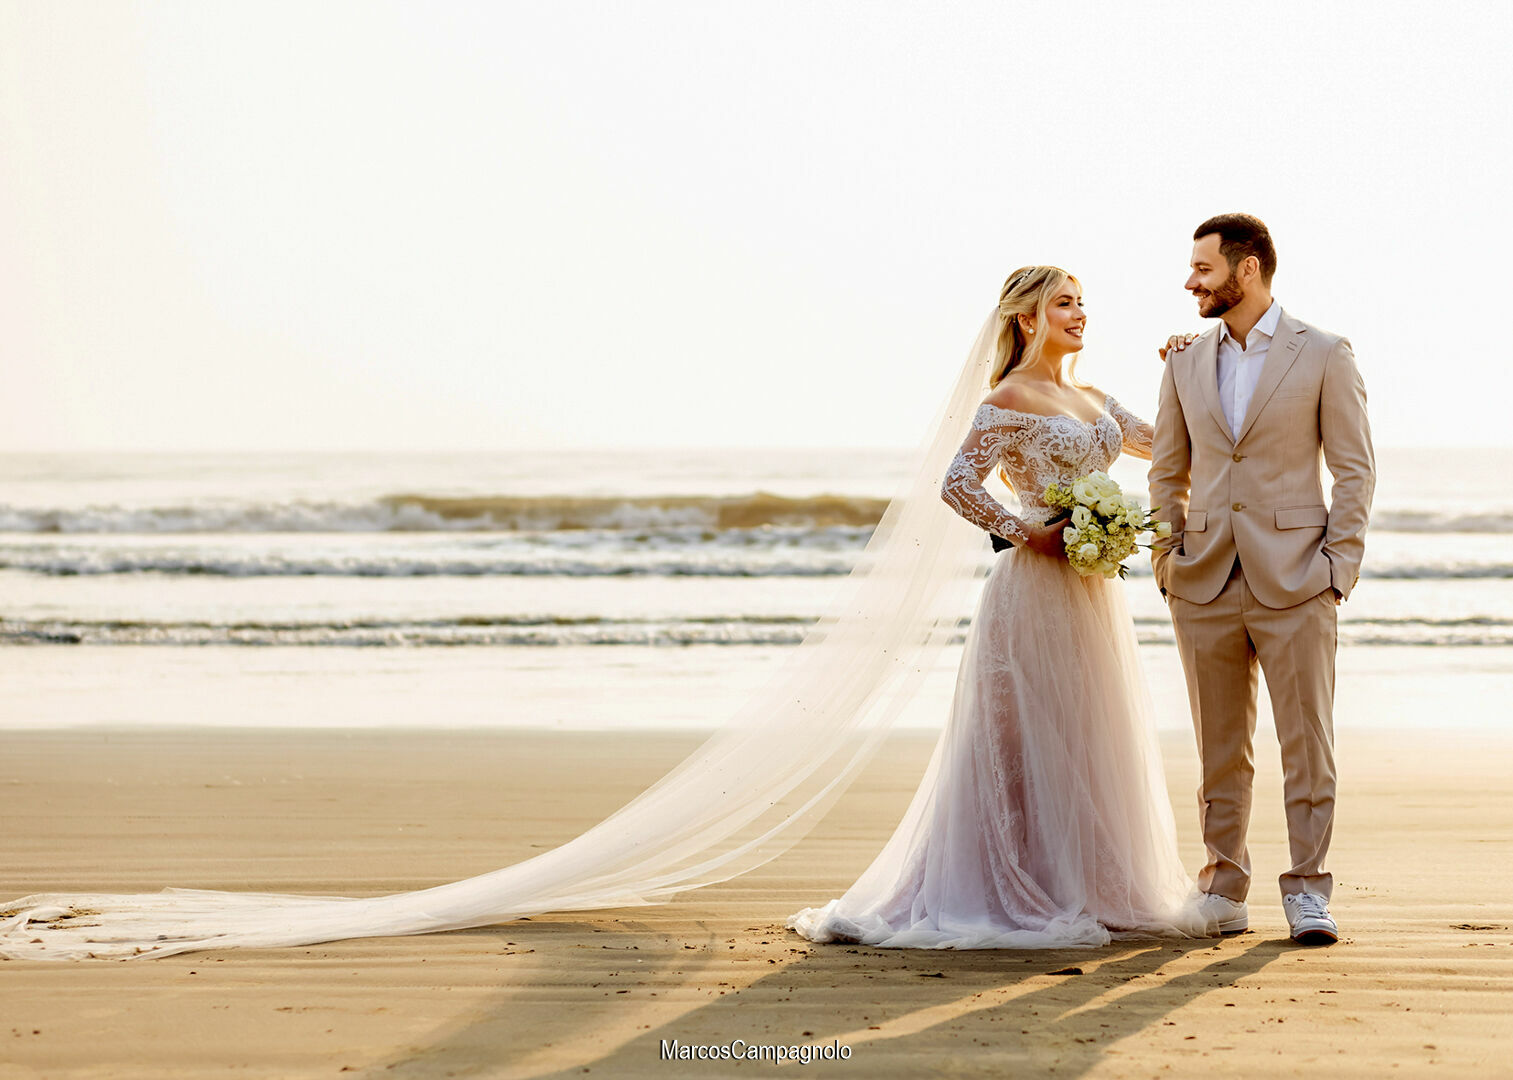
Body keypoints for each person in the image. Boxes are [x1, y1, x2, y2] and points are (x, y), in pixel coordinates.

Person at [788, 266, 1213, 948]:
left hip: (1092, 590)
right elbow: (956, 484)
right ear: (1027, 319)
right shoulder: (1009, 396)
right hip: (1032, 588)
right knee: (1021, 734)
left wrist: (1182, 373)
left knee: (1084, 732)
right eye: (1062, 305)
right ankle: (1010, 883)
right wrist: (1029, 532)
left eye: (1081, 303)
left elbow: (1167, 447)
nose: (1079, 314)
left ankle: (1082, 881)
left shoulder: (1093, 397)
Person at [1152, 214, 1375, 946]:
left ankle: (1308, 890)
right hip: (1204, 580)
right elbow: (1167, 470)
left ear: (1245, 270)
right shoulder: (1182, 360)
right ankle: (1223, 886)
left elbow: (1352, 469)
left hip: (1297, 581)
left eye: (1202, 269)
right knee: (1220, 747)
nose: (1190, 282)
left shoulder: (1324, 353)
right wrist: (1166, 557)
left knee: (1306, 743)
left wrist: (1336, 569)